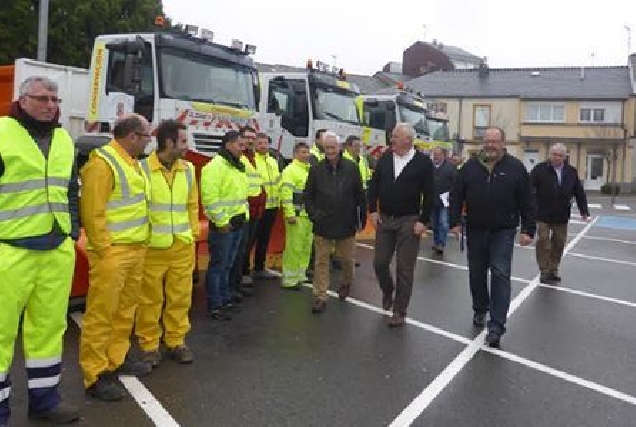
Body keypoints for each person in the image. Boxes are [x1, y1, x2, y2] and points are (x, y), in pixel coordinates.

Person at [0, 77, 80, 425]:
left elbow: (71, 191)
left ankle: (45, 401)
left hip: (55, 249)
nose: (51, 104)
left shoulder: (63, 138)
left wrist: (72, 230)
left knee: (49, 328)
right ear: (23, 99)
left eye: (55, 98)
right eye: (42, 98)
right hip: (9, 250)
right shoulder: (3, 133)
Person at [80, 114, 152, 401]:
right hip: (113, 252)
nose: (149, 141)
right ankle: (94, 374)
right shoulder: (103, 163)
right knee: (101, 314)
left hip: (134, 249)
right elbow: (92, 211)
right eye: (147, 135)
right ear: (133, 136)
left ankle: (116, 359)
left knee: (124, 312)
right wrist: (104, 250)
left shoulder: (131, 163)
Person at [450, 126, 535, 348]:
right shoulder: (469, 168)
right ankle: (480, 308)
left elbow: (527, 200)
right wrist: (454, 222)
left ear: (503, 143)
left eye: (495, 141)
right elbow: (456, 195)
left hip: (503, 231)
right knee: (476, 273)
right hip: (476, 229)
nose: (490, 145)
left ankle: (496, 326)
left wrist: (528, 229)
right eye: (487, 141)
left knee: (500, 273)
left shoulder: (515, 168)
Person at [135, 120, 200, 367]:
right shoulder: (142, 169)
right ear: (168, 142)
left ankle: (176, 341)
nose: (187, 146)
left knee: (180, 297)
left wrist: (192, 234)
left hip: (182, 245)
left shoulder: (189, 169)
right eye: (183, 141)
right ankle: (149, 344)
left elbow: (192, 205)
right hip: (152, 247)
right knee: (149, 299)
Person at [368, 123, 435, 327]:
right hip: (386, 218)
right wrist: (372, 210)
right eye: (392, 136)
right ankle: (388, 290)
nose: (392, 139)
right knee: (379, 262)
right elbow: (374, 185)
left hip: (409, 220)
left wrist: (423, 221)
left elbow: (430, 193)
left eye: (395, 136)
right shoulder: (386, 158)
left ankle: (399, 310)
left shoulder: (422, 162)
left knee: (405, 269)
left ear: (408, 139)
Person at [304, 132, 366, 313]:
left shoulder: (352, 168)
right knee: (321, 262)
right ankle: (320, 296)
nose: (330, 151)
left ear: (339, 148)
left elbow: (360, 196)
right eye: (326, 148)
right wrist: (315, 215)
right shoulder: (315, 170)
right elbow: (308, 196)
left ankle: (346, 283)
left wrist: (361, 219)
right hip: (323, 224)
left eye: (333, 147)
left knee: (347, 260)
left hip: (346, 224)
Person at [200, 131, 248, 320]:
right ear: (228, 144)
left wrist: (242, 217)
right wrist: (221, 222)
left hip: (236, 224)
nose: (242, 149)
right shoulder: (215, 167)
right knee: (218, 266)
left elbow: (239, 196)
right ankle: (215, 305)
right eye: (239, 145)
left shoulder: (236, 166)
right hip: (223, 227)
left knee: (227, 265)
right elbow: (210, 198)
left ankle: (224, 298)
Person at [530, 143, 589, 285]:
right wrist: (530, 207)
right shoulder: (540, 169)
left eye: (560, 155)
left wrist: (584, 210)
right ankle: (544, 271)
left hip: (561, 215)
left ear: (565, 157)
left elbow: (579, 192)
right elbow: (529, 188)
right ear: (550, 155)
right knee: (544, 241)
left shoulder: (571, 171)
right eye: (554, 154)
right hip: (542, 213)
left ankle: (553, 270)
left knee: (559, 243)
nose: (556, 157)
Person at [231, 126, 264, 303]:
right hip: (243, 211)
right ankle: (236, 284)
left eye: (253, 138)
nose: (250, 141)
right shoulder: (240, 159)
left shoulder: (254, 158)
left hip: (255, 210)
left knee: (245, 248)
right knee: (239, 252)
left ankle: (239, 282)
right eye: (247, 138)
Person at [280, 142, 313, 290]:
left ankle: (300, 274)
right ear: (295, 154)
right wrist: (289, 213)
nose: (306, 155)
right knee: (294, 248)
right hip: (297, 216)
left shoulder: (309, 170)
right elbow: (286, 195)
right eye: (302, 152)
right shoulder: (290, 171)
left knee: (305, 247)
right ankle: (289, 279)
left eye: (307, 152)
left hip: (308, 216)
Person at [250, 132, 282, 279]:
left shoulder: (273, 161)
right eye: (260, 143)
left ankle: (259, 267)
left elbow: (278, 182)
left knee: (264, 238)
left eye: (265, 143)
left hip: (272, 206)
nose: (263, 146)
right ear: (255, 145)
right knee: (251, 240)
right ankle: (244, 270)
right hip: (259, 207)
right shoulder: (252, 162)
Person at [431, 147, 457, 255]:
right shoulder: (429, 167)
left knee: (443, 223)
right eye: (434, 154)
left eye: (438, 154)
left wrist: (449, 194)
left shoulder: (450, 168)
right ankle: (436, 242)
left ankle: (441, 243)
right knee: (435, 223)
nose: (436, 156)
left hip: (445, 201)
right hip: (432, 200)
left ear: (443, 155)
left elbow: (455, 183)